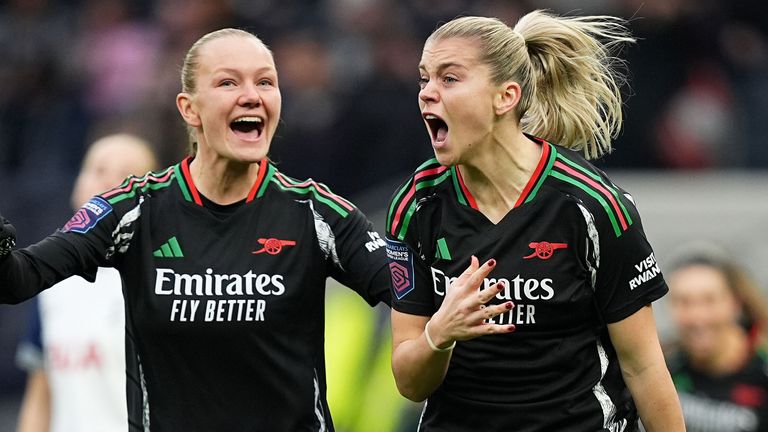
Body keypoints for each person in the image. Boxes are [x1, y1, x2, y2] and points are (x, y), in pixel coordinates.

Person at [0, 28, 390, 431]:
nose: (252, 95)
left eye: (265, 81)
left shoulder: (315, 213)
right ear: (189, 109)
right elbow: (16, 278)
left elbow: (413, 290)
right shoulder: (133, 210)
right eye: (227, 82)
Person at [384, 10, 685, 432]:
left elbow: (644, 368)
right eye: (423, 79)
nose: (427, 93)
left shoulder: (593, 206)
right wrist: (440, 333)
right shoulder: (415, 205)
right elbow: (409, 383)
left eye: (449, 78)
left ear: (505, 97)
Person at [14, 134, 158, 432]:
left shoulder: (161, 279)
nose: (107, 184)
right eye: (98, 170)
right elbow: (40, 394)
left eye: (126, 176)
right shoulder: (51, 285)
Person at [666, 247, 768, 432]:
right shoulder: (663, 371)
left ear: (736, 303)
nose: (697, 317)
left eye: (709, 300)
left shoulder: (762, 370)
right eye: (684, 302)